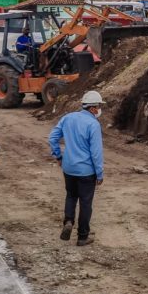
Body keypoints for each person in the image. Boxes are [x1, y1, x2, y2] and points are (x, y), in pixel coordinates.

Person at [49, 91, 105, 246]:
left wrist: (58, 156)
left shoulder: (68, 118)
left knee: (71, 196)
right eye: (99, 106)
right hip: (86, 171)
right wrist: (99, 173)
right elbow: (96, 153)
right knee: (86, 203)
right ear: (92, 108)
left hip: (69, 168)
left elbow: (52, 138)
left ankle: (68, 221)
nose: (100, 109)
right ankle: (82, 237)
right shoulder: (93, 124)